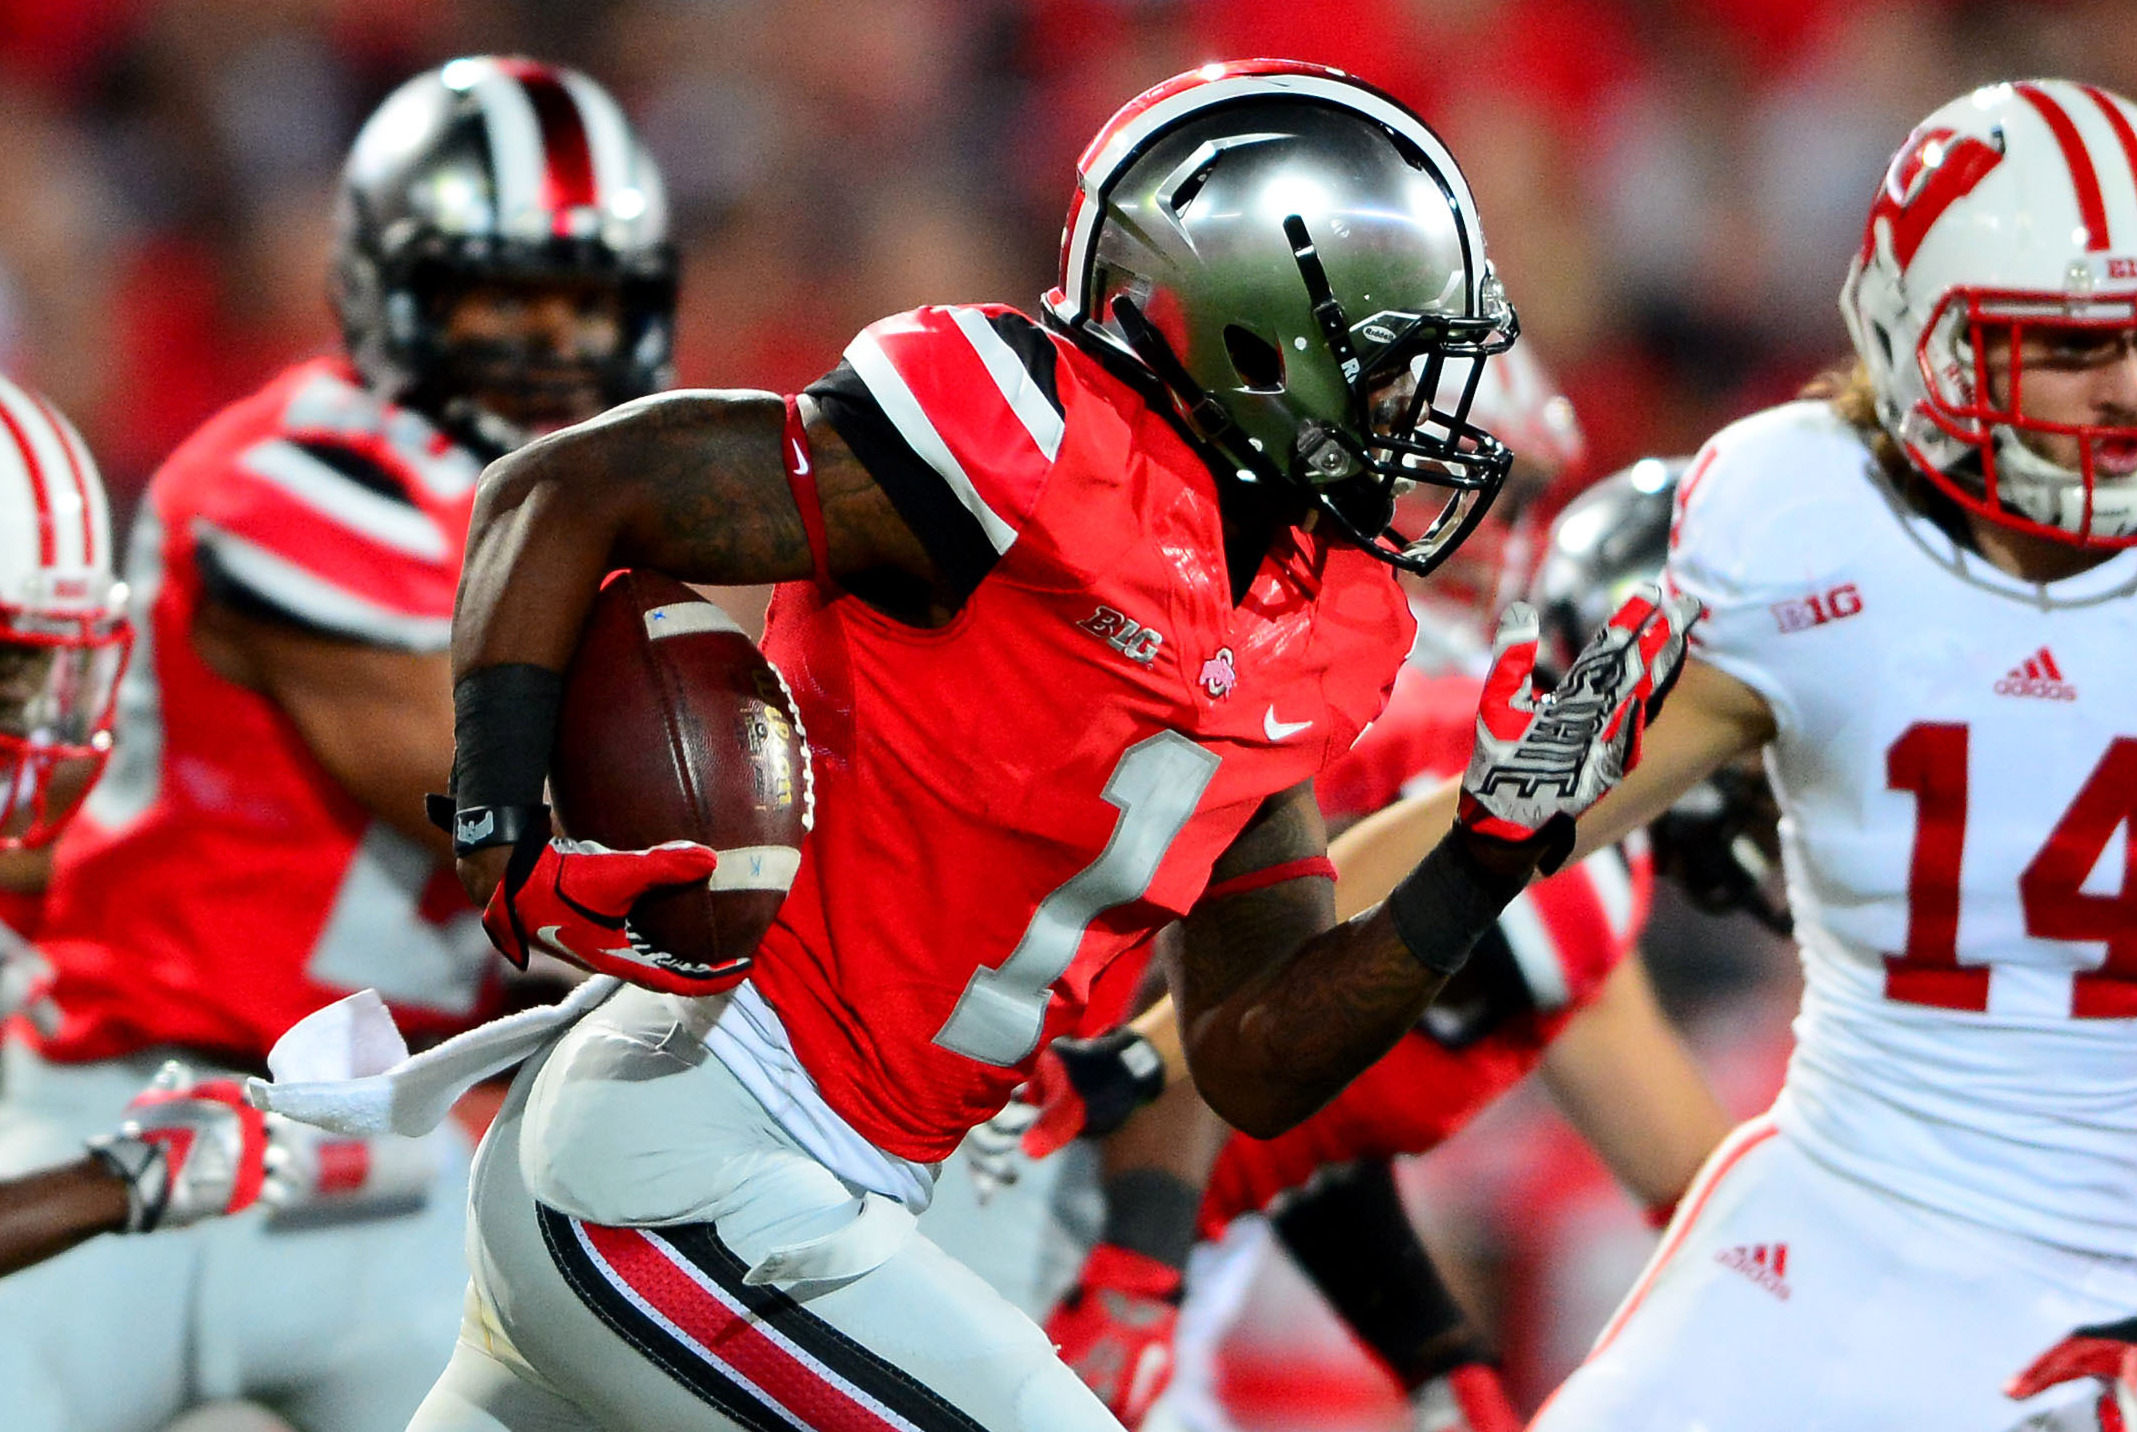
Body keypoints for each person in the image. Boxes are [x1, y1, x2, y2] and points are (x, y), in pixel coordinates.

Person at [401, 59, 1693, 1432]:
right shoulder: (1023, 439)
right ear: (1252, 337)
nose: (1413, 422)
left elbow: (1253, 1056)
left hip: (814, 1184)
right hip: (688, 1144)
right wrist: (502, 827)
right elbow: (567, 489)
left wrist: (1486, 851)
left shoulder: (1327, 620)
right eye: (1384, 370)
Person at [1338, 78, 2137, 1430]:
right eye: (2063, 347)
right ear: (1921, 346)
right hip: (1858, 1214)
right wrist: (1233, 951)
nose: (2120, 392)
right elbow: (1512, 805)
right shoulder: (1798, 523)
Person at [0, 56, 677, 1432]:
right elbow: (487, 795)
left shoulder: (604, 521)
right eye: (500, 291)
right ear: (391, 285)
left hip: (390, 1157)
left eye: (585, 298)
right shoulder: (295, 477)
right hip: (133, 1093)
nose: (549, 341)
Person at [1008, 461, 1736, 1432]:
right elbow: (1227, 981)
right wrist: (1137, 1257)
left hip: (1115, 1201)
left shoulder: (1566, 858)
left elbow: (1301, 1093)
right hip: (1052, 1172)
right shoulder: (1522, 823)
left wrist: (1439, 1353)